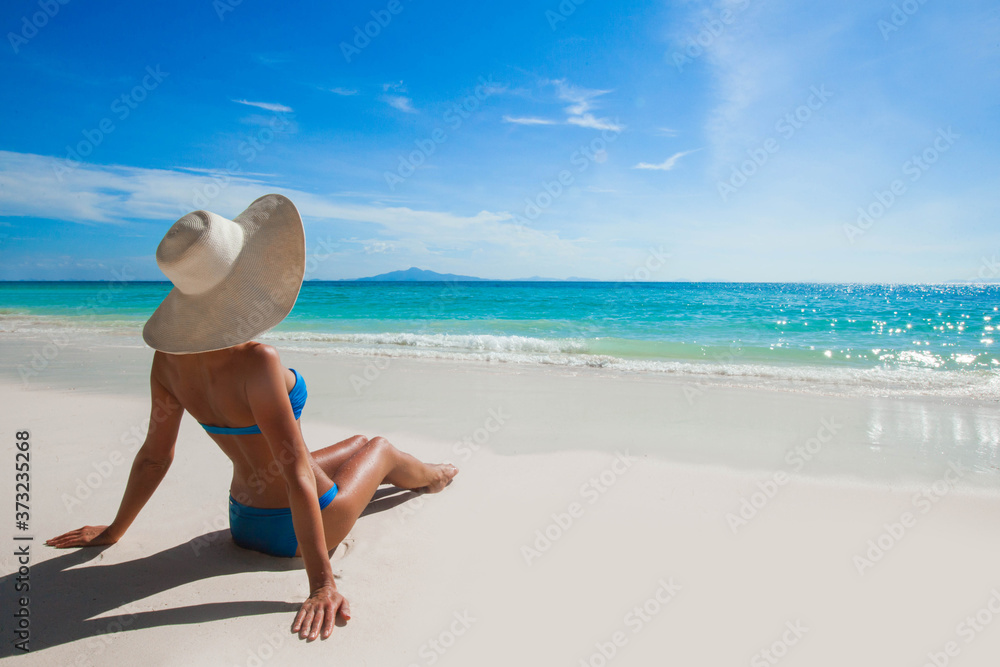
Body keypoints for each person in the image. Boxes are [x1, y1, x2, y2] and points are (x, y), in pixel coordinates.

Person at [45, 194, 458, 641]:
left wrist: (113, 530)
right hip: (297, 530)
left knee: (358, 441)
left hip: (243, 518)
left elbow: (154, 457)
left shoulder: (167, 360)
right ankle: (434, 476)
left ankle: (417, 476)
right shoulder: (259, 361)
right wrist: (322, 584)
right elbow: (295, 468)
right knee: (379, 448)